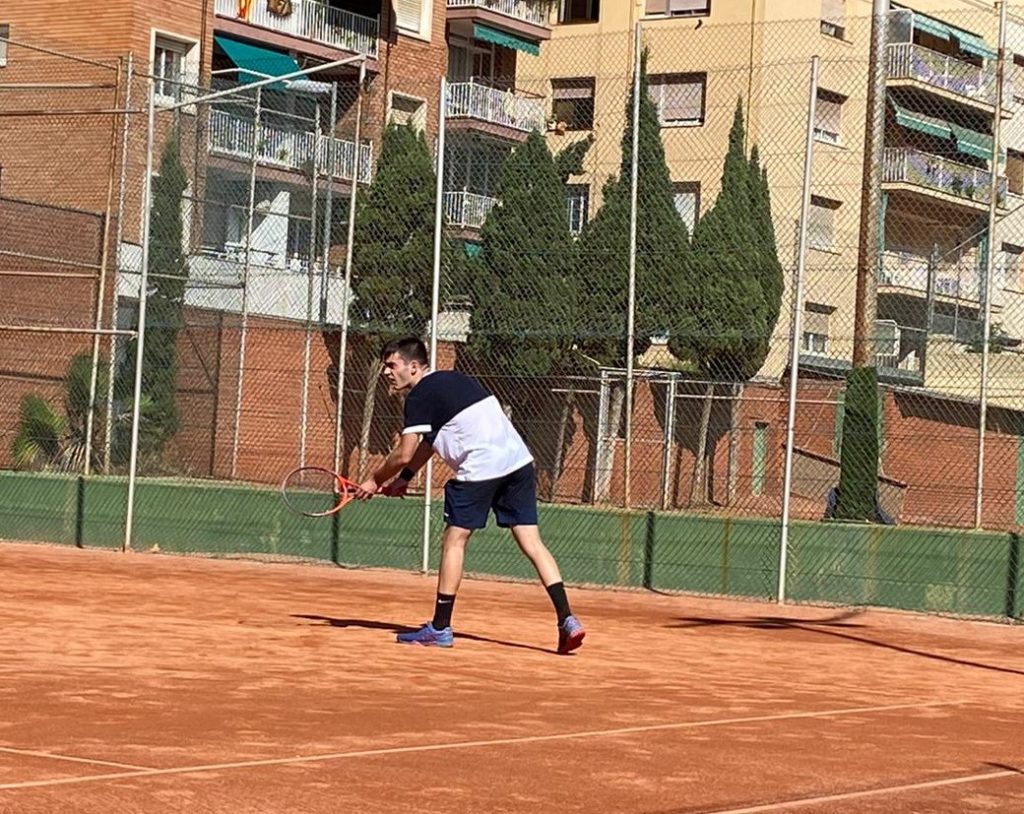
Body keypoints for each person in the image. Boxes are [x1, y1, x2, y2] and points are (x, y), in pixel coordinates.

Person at [355, 337, 585, 654]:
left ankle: (440, 627)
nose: (386, 372)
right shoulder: (453, 381)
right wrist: (404, 479)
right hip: (518, 462)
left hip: (482, 467)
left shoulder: (419, 395)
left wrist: (373, 480)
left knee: (455, 540)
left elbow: (403, 453)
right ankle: (567, 619)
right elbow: (432, 441)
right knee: (532, 543)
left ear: (414, 366)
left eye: (392, 365)